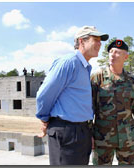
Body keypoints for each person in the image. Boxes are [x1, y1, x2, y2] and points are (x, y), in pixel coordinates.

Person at [36, 26, 109, 165]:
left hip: (81, 131)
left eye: (101, 40)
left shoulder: (84, 67)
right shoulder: (69, 63)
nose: (100, 44)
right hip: (67, 132)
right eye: (96, 40)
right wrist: (44, 119)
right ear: (82, 42)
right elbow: (44, 94)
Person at [91, 39, 134, 165]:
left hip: (128, 139)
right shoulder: (97, 77)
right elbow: (89, 108)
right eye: (110, 52)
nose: (112, 55)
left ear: (126, 57)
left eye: (117, 52)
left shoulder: (131, 80)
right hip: (102, 140)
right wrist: (88, 134)